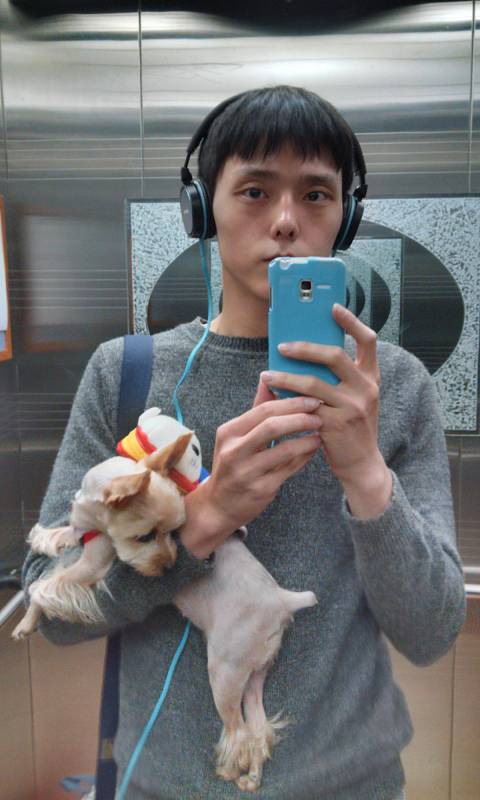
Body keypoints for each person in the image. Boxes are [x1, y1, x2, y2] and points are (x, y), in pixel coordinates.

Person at [22, 85, 466, 800]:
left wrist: (366, 476)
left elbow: (433, 630)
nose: (286, 221)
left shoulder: (396, 387)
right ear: (203, 209)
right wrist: (202, 520)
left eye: (316, 195)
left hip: (354, 785)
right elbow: (53, 612)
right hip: (162, 786)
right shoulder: (126, 374)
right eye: (255, 191)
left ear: (346, 217)